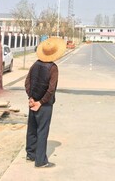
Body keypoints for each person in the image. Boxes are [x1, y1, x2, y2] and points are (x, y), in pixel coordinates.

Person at [25, 37, 66, 168]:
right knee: (42, 131)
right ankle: (40, 161)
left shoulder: (35, 64)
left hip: (33, 102)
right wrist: (41, 102)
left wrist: (31, 98)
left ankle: (31, 154)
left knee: (32, 128)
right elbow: (51, 89)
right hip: (45, 105)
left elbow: (27, 82)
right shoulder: (53, 68)